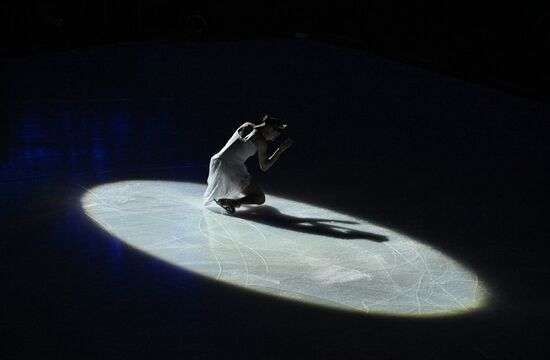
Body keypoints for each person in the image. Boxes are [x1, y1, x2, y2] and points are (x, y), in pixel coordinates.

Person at [203, 115, 293, 213]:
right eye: (275, 135)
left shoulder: (247, 125)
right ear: (270, 128)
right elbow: (265, 167)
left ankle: (227, 199)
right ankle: (234, 202)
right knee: (260, 198)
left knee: (240, 188)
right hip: (230, 167)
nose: (273, 139)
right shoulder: (261, 141)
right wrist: (279, 150)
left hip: (217, 160)